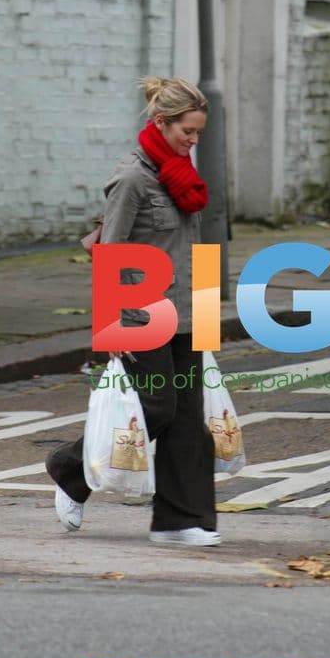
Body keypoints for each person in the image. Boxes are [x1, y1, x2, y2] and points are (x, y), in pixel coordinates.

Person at [46, 76, 220, 546]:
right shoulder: (132, 178)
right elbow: (112, 253)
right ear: (162, 123)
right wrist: (112, 331)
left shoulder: (185, 177)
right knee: (156, 407)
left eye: (199, 133)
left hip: (189, 307)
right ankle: (69, 470)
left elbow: (193, 244)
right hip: (142, 313)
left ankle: (181, 523)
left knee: (189, 417)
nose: (194, 141)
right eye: (188, 132)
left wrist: (209, 307)